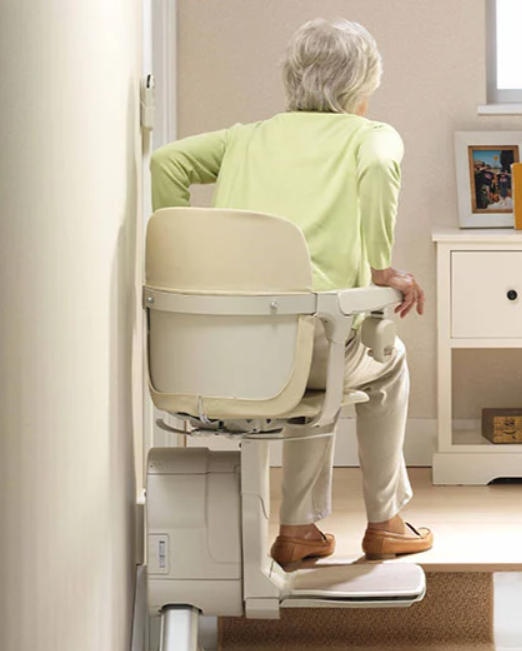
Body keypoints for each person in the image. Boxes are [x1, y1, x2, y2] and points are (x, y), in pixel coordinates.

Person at [150, 18, 432, 567]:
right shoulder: (370, 137)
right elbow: (377, 166)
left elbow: (167, 162)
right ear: (363, 82)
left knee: (311, 362)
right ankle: (386, 521)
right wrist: (380, 268)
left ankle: (300, 531)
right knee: (382, 359)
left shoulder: (245, 137)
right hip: (313, 348)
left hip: (226, 348)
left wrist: (182, 256)